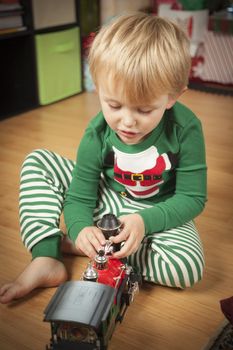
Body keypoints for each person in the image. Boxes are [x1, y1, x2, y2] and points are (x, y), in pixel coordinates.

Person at [0, 12, 207, 304]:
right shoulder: (96, 133)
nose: (127, 122)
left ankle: (96, 247)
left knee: (186, 269)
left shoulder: (186, 129)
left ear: (173, 97)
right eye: (113, 104)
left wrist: (143, 223)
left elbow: (192, 198)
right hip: (108, 198)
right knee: (39, 161)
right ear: (98, 88)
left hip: (160, 209)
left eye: (144, 110)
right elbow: (80, 198)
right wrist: (81, 226)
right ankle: (47, 254)